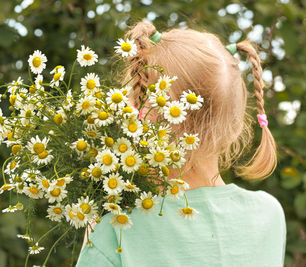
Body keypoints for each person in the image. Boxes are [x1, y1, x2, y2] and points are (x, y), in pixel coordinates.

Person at [75, 21, 286, 267]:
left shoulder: (117, 224)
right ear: (237, 125)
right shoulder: (268, 215)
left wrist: (95, 228)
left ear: (136, 115)